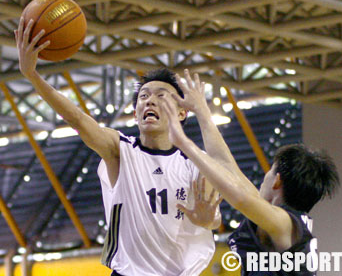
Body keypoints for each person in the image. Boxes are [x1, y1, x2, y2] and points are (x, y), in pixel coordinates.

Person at [15, 18, 222, 276]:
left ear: (181, 113)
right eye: (143, 97)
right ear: (136, 114)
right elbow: (78, 119)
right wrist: (32, 75)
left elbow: (214, 215)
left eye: (161, 96)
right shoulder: (120, 150)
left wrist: (209, 220)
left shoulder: (195, 162)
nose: (150, 102)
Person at [160, 69, 340, 275]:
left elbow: (241, 200)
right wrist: (202, 111)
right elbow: (226, 164)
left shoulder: (284, 223)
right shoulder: (280, 220)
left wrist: (183, 142)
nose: (263, 180)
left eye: (269, 172)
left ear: (277, 181)